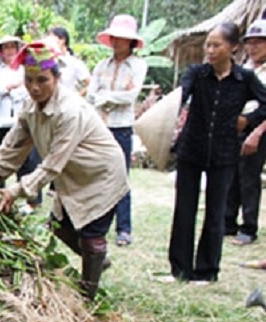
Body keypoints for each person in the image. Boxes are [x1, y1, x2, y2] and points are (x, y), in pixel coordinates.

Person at [0, 41, 129, 300]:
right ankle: (95, 261)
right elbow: (12, 146)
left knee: (92, 236)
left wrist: (16, 190)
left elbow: (52, 164)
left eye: (43, 80)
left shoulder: (70, 111)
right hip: (73, 174)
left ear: (57, 78)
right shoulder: (30, 106)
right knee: (60, 227)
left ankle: (88, 296)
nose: (35, 87)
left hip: (101, 173)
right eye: (29, 80)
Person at [166, 23, 266, 284]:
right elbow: (181, 95)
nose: (210, 50)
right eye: (207, 45)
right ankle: (180, 270)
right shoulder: (196, 73)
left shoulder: (245, 79)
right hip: (191, 148)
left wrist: (249, 119)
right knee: (184, 210)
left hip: (224, 153)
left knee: (216, 212)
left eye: (216, 45)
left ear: (233, 47)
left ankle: (207, 271)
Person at [87, 15, 147, 247]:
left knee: (120, 177)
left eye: (121, 38)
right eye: (114, 37)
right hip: (99, 127)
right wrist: (104, 98)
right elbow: (92, 93)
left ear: (130, 41)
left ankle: (124, 228)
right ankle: (96, 223)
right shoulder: (102, 65)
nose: (116, 42)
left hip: (121, 127)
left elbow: (130, 96)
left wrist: (107, 97)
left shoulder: (138, 66)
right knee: (97, 175)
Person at [0, 36, 42, 207]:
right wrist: (9, 87)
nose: (9, 51)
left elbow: (25, 91)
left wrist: (7, 90)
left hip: (22, 118)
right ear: (1, 51)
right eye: (5, 48)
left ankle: (32, 200)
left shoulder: (25, 70)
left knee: (28, 158)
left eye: (12, 47)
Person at [226, 19, 266, 246]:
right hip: (237, 125)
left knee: (250, 178)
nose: (253, 47)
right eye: (250, 43)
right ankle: (228, 222)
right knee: (231, 175)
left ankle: (248, 227)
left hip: (259, 128)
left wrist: (257, 132)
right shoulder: (245, 69)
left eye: (259, 42)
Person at [48, 27, 91, 96]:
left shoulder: (74, 63)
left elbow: (90, 84)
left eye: (52, 39)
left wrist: (75, 97)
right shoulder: (49, 61)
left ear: (62, 40)